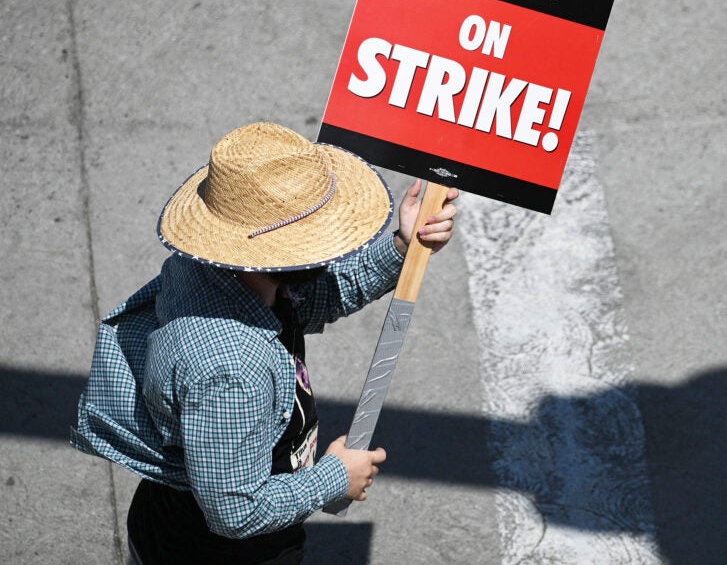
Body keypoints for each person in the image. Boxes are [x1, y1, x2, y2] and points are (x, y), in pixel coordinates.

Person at [70, 121, 458, 564]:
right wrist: (335, 477)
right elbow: (236, 511)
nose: (333, 250)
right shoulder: (233, 369)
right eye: (320, 239)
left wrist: (402, 245)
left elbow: (310, 301)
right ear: (278, 255)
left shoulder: (221, 271)